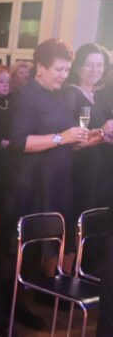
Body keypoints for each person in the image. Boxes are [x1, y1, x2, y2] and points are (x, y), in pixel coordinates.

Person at [0, 39, 99, 336]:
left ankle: (17, 303)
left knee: (36, 247)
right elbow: (21, 142)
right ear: (40, 67)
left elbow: (66, 142)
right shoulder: (25, 96)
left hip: (54, 182)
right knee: (13, 248)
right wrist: (62, 137)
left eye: (67, 69)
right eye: (58, 69)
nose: (63, 75)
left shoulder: (59, 96)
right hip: (26, 183)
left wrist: (91, 138)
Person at [62, 43, 111, 214]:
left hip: (102, 171)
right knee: (82, 215)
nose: (95, 70)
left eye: (99, 65)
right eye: (89, 64)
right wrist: (102, 130)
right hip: (83, 169)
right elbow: (69, 139)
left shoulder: (98, 96)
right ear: (77, 67)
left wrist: (107, 137)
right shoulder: (71, 93)